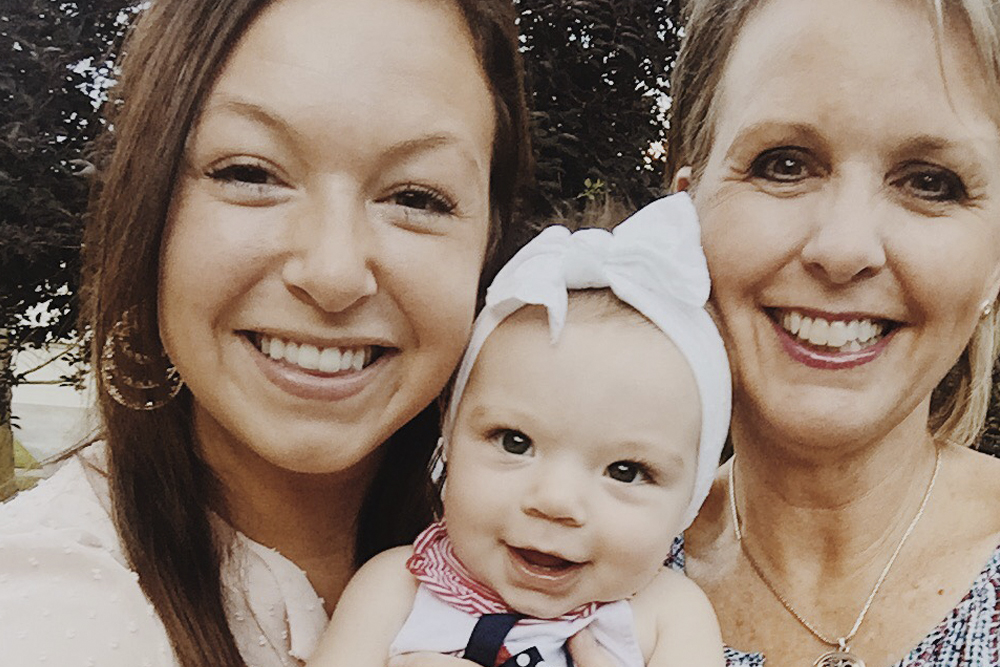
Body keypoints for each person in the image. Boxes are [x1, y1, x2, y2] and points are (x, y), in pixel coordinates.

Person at [0, 0, 531, 665]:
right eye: (250, 173)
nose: (334, 273)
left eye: (417, 197)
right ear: (149, 206)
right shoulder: (46, 611)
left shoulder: (582, 552)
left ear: (489, 246)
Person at [664, 0, 1000, 665]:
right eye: (784, 165)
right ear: (683, 217)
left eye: (930, 183)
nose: (844, 249)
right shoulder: (542, 567)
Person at [309, 193, 729, 667]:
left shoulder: (669, 616)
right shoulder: (397, 588)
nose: (555, 502)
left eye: (626, 471)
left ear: (689, 502)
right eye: (515, 442)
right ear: (448, 441)